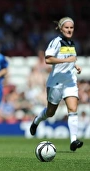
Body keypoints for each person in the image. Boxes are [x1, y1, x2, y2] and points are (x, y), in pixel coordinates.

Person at [29, 17, 83, 152]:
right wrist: (68, 61)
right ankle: (37, 121)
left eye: (71, 28)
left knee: (73, 109)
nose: (69, 30)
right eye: (67, 27)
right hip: (56, 82)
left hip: (70, 81)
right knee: (50, 112)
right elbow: (48, 59)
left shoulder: (71, 43)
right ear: (60, 28)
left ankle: (73, 140)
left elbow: (68, 59)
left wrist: (74, 65)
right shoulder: (56, 42)